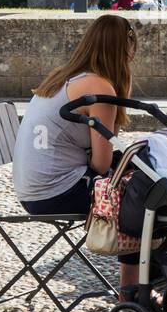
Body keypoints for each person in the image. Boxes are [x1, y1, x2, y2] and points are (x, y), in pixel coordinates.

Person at [12, 15, 147, 288]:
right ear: (127, 48)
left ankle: (140, 284)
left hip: (33, 189)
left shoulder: (64, 77)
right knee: (144, 202)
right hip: (57, 192)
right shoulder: (100, 89)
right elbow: (101, 163)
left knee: (139, 171)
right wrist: (120, 96)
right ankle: (132, 290)